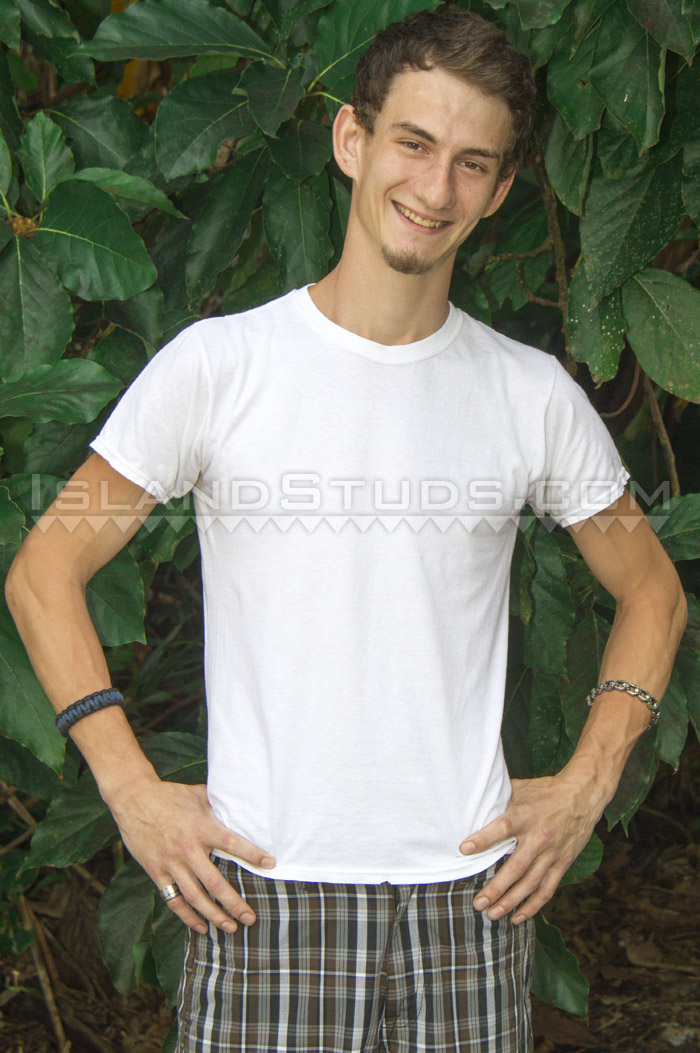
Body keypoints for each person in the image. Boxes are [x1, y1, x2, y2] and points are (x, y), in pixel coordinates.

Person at [5, 9, 687, 1052]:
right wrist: (130, 787)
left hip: (470, 898)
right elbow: (45, 568)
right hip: (258, 891)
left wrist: (590, 780)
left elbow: (652, 591)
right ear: (350, 140)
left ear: (501, 191)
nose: (435, 188)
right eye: (413, 143)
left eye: (471, 163)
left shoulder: (530, 393)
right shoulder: (218, 367)